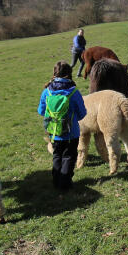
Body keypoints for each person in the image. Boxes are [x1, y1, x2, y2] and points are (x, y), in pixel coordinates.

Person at [38, 61, 87, 191]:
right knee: (69, 157)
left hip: (54, 132)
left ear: (54, 73)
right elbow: (82, 113)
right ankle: (65, 184)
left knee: (57, 156)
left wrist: (53, 115)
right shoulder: (74, 92)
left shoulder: (47, 91)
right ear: (69, 73)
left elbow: (41, 111)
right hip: (71, 133)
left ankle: (56, 181)